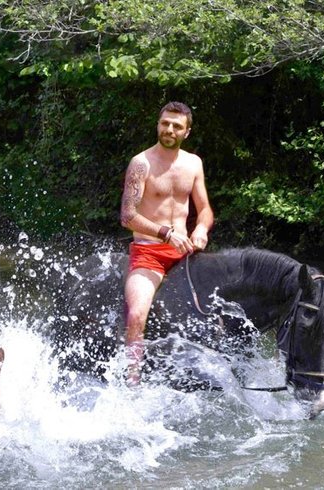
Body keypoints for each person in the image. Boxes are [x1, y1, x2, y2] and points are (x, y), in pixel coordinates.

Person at [120, 101, 214, 386]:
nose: (169, 129)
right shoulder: (142, 163)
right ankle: (132, 379)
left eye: (176, 126)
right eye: (165, 123)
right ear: (158, 124)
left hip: (186, 252)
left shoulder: (194, 163)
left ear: (187, 132)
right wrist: (166, 233)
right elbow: (127, 216)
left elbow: (205, 208)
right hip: (149, 252)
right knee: (137, 314)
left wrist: (201, 228)